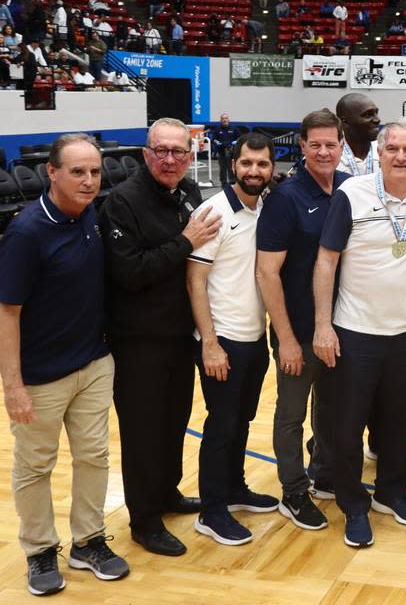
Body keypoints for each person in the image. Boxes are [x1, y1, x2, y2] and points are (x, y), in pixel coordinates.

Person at [0, 135, 129, 595]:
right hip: (39, 377)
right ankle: (38, 551)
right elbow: (7, 311)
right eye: (78, 172)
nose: (90, 180)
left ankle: (88, 542)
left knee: (94, 457)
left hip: (93, 363)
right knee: (36, 466)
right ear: (51, 173)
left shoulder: (91, 215)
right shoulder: (26, 232)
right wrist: (12, 386)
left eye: (94, 171)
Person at [314, 118, 406, 547]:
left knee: (401, 423)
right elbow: (326, 261)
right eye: (392, 149)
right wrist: (322, 326)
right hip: (354, 333)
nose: (400, 157)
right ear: (379, 153)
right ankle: (353, 504)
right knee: (347, 429)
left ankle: (391, 491)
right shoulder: (352, 193)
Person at [100, 118, 221, 557]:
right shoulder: (120, 202)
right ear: (145, 153)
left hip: (177, 334)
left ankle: (166, 492)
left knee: (173, 421)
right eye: (161, 151)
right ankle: (144, 520)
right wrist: (185, 241)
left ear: (190, 156)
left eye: (179, 152)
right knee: (143, 432)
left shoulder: (188, 192)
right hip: (137, 341)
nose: (170, 159)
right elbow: (130, 273)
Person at [255, 110, 350, 531]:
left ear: (342, 145)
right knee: (292, 413)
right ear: (303, 147)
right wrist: (287, 339)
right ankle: (293, 490)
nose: (324, 151)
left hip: (341, 328)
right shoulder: (285, 198)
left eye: (331, 144)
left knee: (330, 408)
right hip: (298, 329)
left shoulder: (351, 189)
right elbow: (266, 273)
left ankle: (324, 473)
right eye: (316, 144)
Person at [187, 133, 277, 545]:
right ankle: (212, 509)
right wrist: (209, 342)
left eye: (262, 164)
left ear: (272, 167)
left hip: (254, 338)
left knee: (241, 420)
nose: (254, 171)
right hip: (221, 340)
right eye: (247, 164)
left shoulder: (266, 209)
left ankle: (235, 487)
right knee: (221, 425)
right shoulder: (214, 211)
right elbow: (196, 279)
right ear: (234, 165)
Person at [335, 92, 380, 176]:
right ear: (344, 121)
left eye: (376, 113)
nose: (377, 119)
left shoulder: (386, 150)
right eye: (367, 115)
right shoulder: (328, 155)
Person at [210, 113, 241, 186]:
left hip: (231, 151)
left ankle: (232, 182)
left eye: (226, 118)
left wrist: (236, 142)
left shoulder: (234, 128)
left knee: (231, 167)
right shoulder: (218, 129)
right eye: (223, 119)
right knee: (222, 168)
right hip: (221, 151)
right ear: (220, 120)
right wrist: (216, 142)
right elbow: (214, 139)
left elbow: (240, 137)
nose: (224, 120)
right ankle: (223, 183)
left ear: (228, 119)